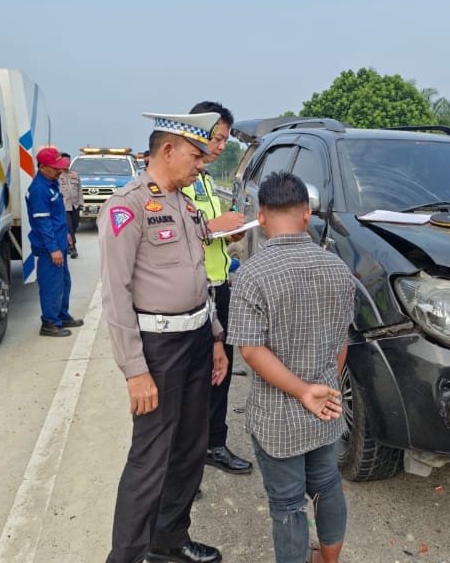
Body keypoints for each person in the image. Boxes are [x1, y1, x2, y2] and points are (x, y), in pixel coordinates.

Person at [99, 111, 245, 563]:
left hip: (197, 340)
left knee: (189, 448)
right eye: (196, 155)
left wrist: (216, 338)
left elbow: (200, 278)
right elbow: (116, 295)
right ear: (167, 150)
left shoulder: (185, 205)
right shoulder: (127, 207)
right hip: (158, 351)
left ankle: (168, 540)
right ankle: (125, 556)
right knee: (150, 459)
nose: (202, 163)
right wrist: (135, 371)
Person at [229, 171, 356, 563]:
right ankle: (328, 560)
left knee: (287, 505)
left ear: (260, 216)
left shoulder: (252, 274)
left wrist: (302, 391)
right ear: (306, 215)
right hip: (326, 406)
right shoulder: (338, 269)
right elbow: (341, 340)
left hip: (278, 417)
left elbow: (252, 351)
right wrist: (323, 388)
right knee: (327, 485)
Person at [184, 102, 252, 475]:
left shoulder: (207, 180)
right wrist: (214, 228)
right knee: (194, 377)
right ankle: (186, 460)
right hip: (194, 292)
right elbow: (171, 236)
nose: (222, 146)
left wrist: (229, 233)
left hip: (219, 284)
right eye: (218, 138)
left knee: (220, 371)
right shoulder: (177, 183)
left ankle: (214, 443)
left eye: (225, 139)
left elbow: (209, 233)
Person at [26, 146, 82, 336]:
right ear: (42, 167)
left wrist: (66, 234)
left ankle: (62, 316)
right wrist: (53, 249)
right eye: (55, 168)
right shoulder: (39, 189)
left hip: (59, 241)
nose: (60, 171)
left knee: (63, 282)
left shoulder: (51, 183)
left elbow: (56, 216)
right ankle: (49, 323)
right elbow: (43, 223)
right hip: (49, 247)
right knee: (51, 285)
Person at [59, 152, 83, 259]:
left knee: (74, 226)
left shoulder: (75, 174)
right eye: (64, 161)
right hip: (64, 206)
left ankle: (67, 244)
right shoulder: (57, 175)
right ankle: (73, 247)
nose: (66, 163)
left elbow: (79, 190)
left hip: (75, 205)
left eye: (68, 161)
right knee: (68, 227)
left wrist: (81, 203)